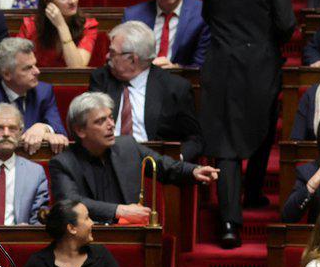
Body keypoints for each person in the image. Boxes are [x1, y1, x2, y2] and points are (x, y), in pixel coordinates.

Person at [200, 0, 297, 248]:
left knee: (226, 143)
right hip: (260, 65)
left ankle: (229, 223)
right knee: (262, 126)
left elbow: (208, 16)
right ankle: (252, 193)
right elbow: (286, 25)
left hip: (221, 63)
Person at [49, 92, 218, 225]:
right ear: (80, 130)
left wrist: (194, 170)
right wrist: (119, 210)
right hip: (86, 240)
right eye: (101, 121)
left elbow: (163, 165)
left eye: (111, 117)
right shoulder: (63, 163)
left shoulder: (127, 146)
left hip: (129, 235)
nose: (111, 125)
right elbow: (71, 203)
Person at [88, 21, 203, 161]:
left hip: (155, 166)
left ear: (132, 59)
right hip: (107, 161)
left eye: (112, 52)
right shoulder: (101, 79)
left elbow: (194, 139)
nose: (107, 56)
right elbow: (89, 126)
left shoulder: (174, 88)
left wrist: (175, 160)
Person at [0, 38, 68, 151]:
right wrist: (44, 135)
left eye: (35, 65)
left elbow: (60, 131)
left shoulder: (44, 91)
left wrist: (42, 127)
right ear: (7, 74)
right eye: (28, 68)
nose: (37, 71)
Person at [122, 0, 209, 69]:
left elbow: (202, 66)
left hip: (182, 82)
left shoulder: (202, 14)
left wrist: (175, 69)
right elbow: (123, 61)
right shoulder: (132, 16)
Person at [19, 199, 131, 267]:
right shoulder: (39, 262)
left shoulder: (100, 254)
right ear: (71, 228)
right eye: (87, 218)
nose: (92, 223)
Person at [15, 0, 100, 68]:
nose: (72, 1)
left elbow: (77, 68)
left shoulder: (88, 25)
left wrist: (61, 26)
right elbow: (16, 64)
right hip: (37, 81)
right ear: (47, 1)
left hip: (70, 82)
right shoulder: (30, 26)